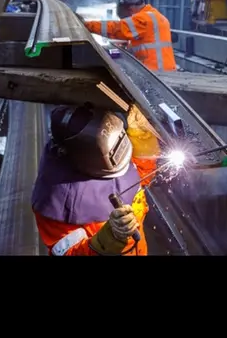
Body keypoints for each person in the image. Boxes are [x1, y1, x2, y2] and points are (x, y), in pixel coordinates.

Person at [31, 105, 160, 256]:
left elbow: (141, 176)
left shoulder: (112, 149)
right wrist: (110, 239)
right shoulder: (57, 204)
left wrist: (141, 137)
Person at [83, 0, 176, 72]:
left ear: (130, 9)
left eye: (124, 17)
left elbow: (116, 28)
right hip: (166, 68)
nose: (126, 20)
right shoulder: (155, 15)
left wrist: (87, 25)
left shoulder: (143, 19)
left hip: (154, 71)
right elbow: (147, 41)